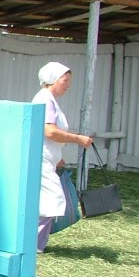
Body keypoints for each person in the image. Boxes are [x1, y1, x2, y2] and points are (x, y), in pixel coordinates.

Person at [33, 62, 92, 252]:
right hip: (41, 159)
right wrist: (77, 139)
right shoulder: (45, 99)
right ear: (52, 80)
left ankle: (36, 243)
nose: (68, 85)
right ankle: (34, 243)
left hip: (47, 159)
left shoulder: (49, 99)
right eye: (65, 80)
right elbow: (49, 131)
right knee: (52, 199)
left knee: (46, 200)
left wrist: (57, 156)